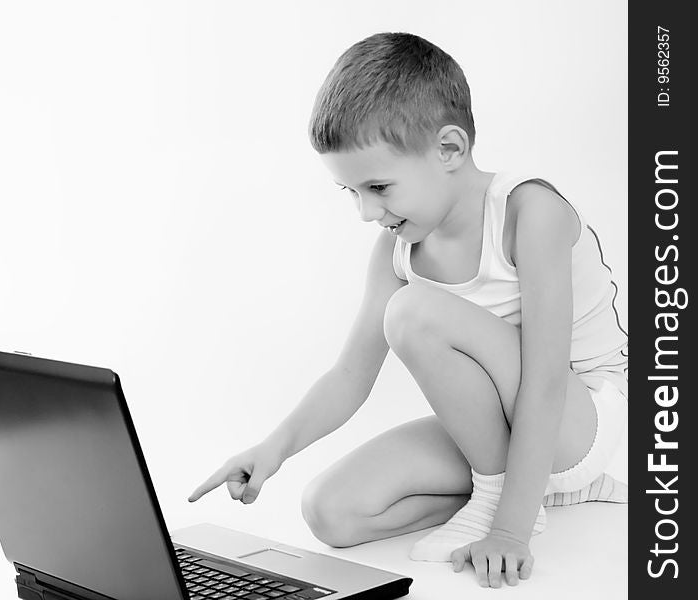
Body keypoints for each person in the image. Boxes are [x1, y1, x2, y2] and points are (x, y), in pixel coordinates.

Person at [187, 32, 628, 589]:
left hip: (583, 423)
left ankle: (511, 499)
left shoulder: (529, 212)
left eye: (378, 187)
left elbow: (543, 383)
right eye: (350, 192)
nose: (367, 211)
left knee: (412, 311)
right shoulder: (397, 251)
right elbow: (350, 374)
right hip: (505, 437)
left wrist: (510, 531)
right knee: (331, 511)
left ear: (449, 149)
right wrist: (272, 448)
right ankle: (521, 489)